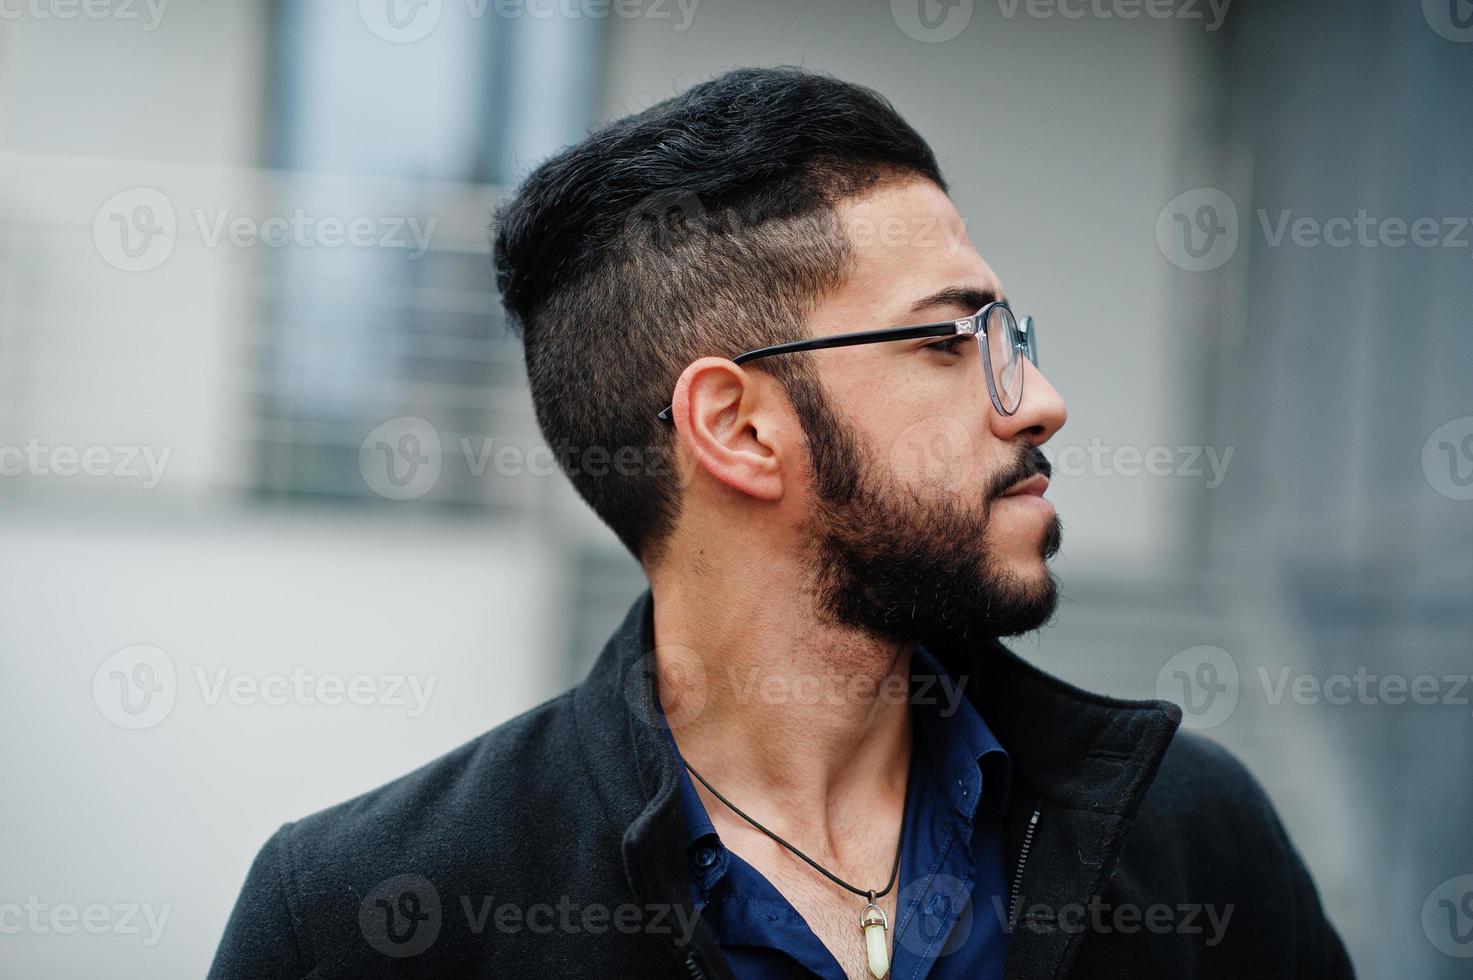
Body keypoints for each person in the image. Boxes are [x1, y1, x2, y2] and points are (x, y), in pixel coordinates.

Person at [209, 66, 1354, 979]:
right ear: (740, 428)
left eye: (1012, 337)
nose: (1039, 399)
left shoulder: (1197, 836)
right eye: (949, 340)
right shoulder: (362, 921)